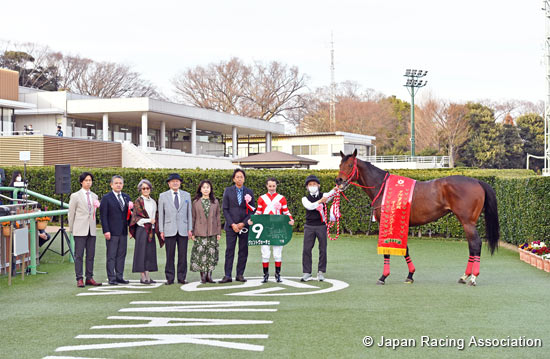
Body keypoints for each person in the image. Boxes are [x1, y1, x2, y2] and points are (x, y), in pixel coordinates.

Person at [249, 177, 294, 283]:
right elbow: (258, 212)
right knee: (265, 252)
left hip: (278, 227)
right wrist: (252, 220)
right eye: (270, 186)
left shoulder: (281, 198)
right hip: (265, 228)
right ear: (266, 186)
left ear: (276, 186)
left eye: (274, 186)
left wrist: (291, 219)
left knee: (278, 252)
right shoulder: (262, 198)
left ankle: (278, 274)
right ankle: (265, 275)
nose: (272, 188)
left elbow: (286, 212)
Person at [219, 168, 255, 283]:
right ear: (234, 179)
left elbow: (252, 210)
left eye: (242, 177)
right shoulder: (228, 191)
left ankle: (240, 274)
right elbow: (225, 209)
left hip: (244, 226)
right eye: (237, 177)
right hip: (231, 226)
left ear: (244, 179)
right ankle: (227, 275)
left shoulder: (249, 192)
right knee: (230, 250)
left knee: (243, 250)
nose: (240, 179)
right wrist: (232, 224)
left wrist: (243, 223)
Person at [68, 172, 102, 287]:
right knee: (79, 255)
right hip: (80, 228)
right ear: (81, 182)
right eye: (86, 180)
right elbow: (71, 213)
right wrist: (72, 228)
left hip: (91, 229)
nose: (88, 182)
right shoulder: (75, 196)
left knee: (91, 255)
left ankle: (89, 277)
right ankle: (79, 278)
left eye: (90, 180)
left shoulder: (94, 196)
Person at [158, 173, 192, 285]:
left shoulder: (186, 195)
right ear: (169, 184)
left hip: (183, 229)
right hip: (169, 229)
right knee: (170, 255)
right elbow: (161, 215)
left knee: (183, 255)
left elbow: (189, 214)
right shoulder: (163, 196)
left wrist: (190, 229)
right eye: (173, 181)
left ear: (180, 183)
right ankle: (170, 278)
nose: (175, 183)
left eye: (177, 181)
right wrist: (161, 230)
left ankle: (182, 277)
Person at [301, 174, 336, 282]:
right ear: (307, 187)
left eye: (314, 184)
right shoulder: (305, 198)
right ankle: (307, 273)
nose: (312, 186)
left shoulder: (324, 195)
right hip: (309, 226)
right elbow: (310, 206)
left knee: (322, 249)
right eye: (310, 184)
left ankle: (321, 272)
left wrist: (337, 188)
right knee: (306, 249)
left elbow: (332, 193)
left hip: (321, 226)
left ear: (318, 185)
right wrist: (320, 201)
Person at [100, 175, 131, 285]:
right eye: (116, 183)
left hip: (123, 231)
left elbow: (129, 216)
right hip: (112, 232)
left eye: (120, 183)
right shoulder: (106, 198)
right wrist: (106, 230)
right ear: (111, 185)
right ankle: (111, 278)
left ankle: (119, 276)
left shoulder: (127, 197)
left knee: (121, 255)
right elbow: (103, 216)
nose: (118, 185)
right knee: (111, 255)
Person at [129, 179, 162, 284]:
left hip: (151, 229)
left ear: (150, 189)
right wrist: (149, 220)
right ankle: (143, 276)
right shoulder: (138, 201)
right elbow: (136, 218)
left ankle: (148, 275)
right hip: (142, 230)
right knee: (141, 253)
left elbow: (156, 215)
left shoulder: (153, 201)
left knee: (149, 253)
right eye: (143, 188)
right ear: (140, 190)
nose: (146, 190)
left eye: (147, 188)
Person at [190, 180, 221, 284]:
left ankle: (209, 275)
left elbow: (217, 217)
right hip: (199, 232)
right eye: (203, 187)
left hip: (212, 232)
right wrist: (193, 232)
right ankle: (203, 276)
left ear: (210, 189)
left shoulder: (215, 201)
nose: (206, 189)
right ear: (200, 189)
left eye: (208, 187)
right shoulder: (195, 202)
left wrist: (219, 232)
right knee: (201, 254)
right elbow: (193, 217)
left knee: (211, 254)